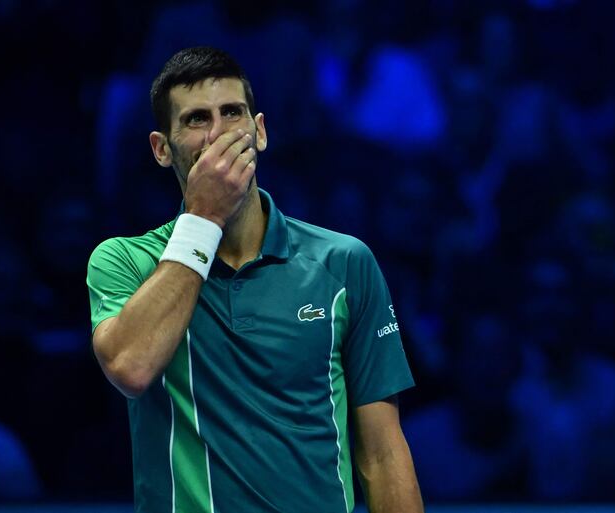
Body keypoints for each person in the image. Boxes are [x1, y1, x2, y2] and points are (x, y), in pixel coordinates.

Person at [86, 46, 423, 513]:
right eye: (197, 120)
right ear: (162, 149)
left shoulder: (344, 262)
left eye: (232, 113)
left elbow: (383, 454)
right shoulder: (125, 260)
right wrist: (204, 216)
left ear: (259, 131)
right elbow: (130, 366)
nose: (220, 135)